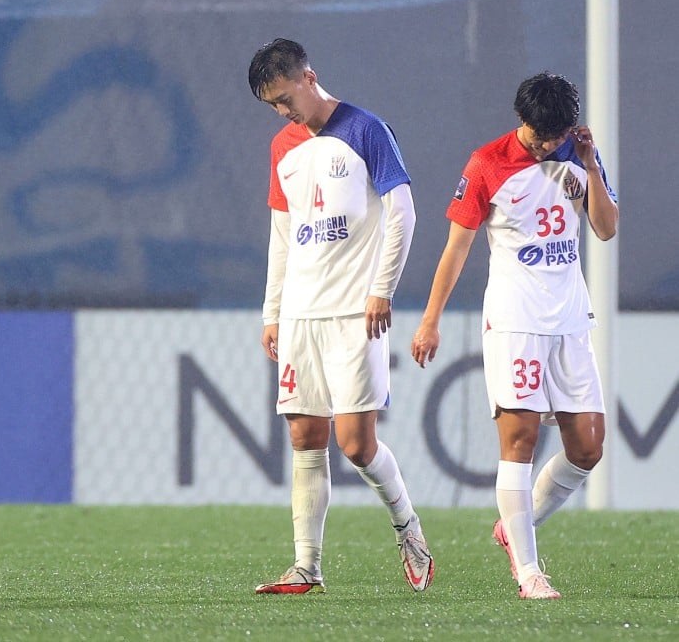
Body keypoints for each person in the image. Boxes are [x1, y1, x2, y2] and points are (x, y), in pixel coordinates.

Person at [410, 72, 618, 600]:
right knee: (520, 441)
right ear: (522, 121)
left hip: (571, 319)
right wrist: (431, 318)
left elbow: (606, 227)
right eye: (541, 136)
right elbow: (456, 247)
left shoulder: (579, 152)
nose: (550, 145)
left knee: (588, 448)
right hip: (515, 319)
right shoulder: (487, 163)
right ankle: (529, 572)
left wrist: (590, 165)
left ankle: (515, 527)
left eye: (558, 135)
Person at [248, 38, 434, 595]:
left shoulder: (365, 130)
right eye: (272, 105)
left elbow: (402, 212)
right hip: (301, 311)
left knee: (356, 445)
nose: (283, 111)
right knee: (306, 436)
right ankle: (307, 566)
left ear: (309, 76)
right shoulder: (283, 146)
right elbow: (282, 235)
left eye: (285, 97)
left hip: (356, 311)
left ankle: (408, 527)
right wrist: (272, 312)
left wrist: (383, 288)